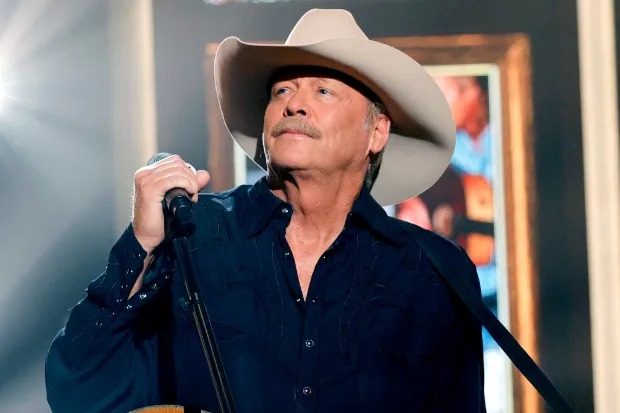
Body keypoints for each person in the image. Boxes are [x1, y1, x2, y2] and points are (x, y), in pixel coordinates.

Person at [45, 9, 486, 413]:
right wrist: (141, 245)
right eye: (282, 90)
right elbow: (76, 387)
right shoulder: (192, 233)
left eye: (323, 90)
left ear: (377, 132)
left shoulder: (435, 271)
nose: (294, 104)